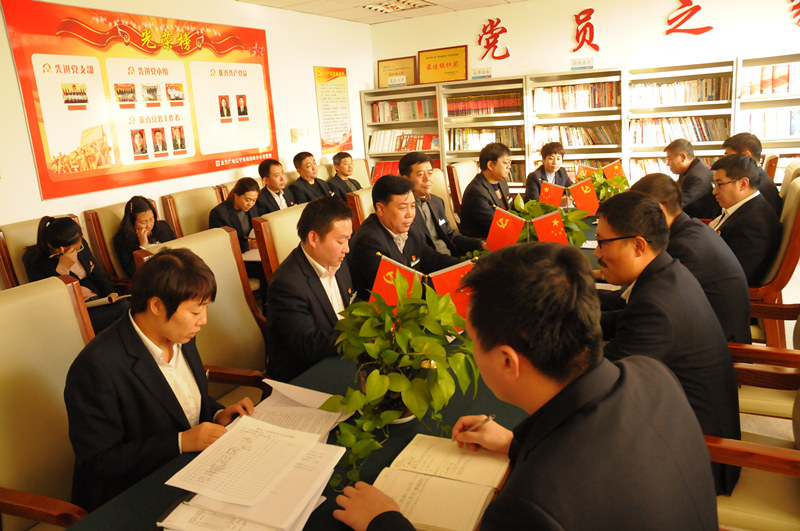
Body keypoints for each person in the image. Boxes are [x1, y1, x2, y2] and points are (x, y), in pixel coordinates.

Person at [333, 242, 719, 531]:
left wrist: (384, 521)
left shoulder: (531, 508)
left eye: (472, 340)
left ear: (507, 361)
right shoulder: (650, 374)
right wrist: (514, 444)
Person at [64, 248, 254, 511]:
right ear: (157, 306)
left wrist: (217, 414)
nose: (204, 320)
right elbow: (98, 461)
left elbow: (178, 400)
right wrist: (180, 442)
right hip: (131, 497)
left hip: (192, 472)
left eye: (205, 309)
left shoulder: (181, 336)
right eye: (195, 312)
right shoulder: (97, 367)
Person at [596, 191, 740, 495]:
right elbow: (623, 320)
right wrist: (571, 316)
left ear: (638, 245)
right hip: (687, 425)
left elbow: (600, 385)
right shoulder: (667, 271)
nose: (597, 253)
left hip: (700, 458)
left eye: (602, 242)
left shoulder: (656, 304)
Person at [631, 173, 751, 343]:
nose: (632, 222)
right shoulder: (690, 228)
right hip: (706, 329)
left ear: (658, 210)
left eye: (636, 214)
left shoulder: (683, 248)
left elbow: (650, 311)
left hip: (718, 344)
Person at [267, 197, 355, 381]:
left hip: (339, 357)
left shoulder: (338, 262)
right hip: (305, 374)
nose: (347, 249)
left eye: (348, 239)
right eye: (340, 241)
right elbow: (307, 344)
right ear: (313, 238)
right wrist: (358, 335)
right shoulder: (287, 284)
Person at [347, 175, 461, 300]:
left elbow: (432, 259)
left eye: (412, 206)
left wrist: (466, 268)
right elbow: (401, 290)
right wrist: (451, 284)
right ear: (380, 209)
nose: (410, 214)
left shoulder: (409, 227)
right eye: (402, 207)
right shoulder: (368, 242)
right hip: (389, 307)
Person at [23, 216, 128, 333]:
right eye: (75, 248)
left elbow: (97, 274)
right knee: (124, 310)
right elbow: (46, 298)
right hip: (73, 312)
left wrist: (111, 293)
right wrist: (62, 269)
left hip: (98, 300)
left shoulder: (81, 245)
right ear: (61, 249)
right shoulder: (34, 261)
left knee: (128, 306)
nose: (79, 249)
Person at [710, 154, 782, 286]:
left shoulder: (754, 223)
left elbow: (734, 277)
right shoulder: (746, 207)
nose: (714, 191)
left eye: (719, 184)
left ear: (743, 184)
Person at [399, 151, 483, 256]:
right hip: (430, 262)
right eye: (420, 174)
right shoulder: (403, 210)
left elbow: (450, 235)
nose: (427, 178)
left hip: (452, 256)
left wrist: (481, 244)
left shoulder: (436, 202)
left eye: (430, 173)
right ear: (405, 179)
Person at [208, 177, 266, 290]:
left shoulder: (253, 209)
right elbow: (220, 246)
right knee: (266, 268)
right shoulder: (219, 213)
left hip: (253, 254)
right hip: (233, 259)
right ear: (236, 195)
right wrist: (248, 246)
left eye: (254, 200)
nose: (250, 204)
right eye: (247, 200)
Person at [112, 196, 177, 277]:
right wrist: (142, 247)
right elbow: (133, 272)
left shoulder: (163, 227)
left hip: (174, 272)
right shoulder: (122, 240)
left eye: (151, 219)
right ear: (132, 222)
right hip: (152, 279)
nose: (149, 225)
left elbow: (177, 250)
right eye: (144, 222)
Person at [459, 142, 512, 238]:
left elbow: (510, 209)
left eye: (509, 162)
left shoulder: (502, 182)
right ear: (490, 165)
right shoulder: (476, 192)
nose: (509, 166)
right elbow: (495, 224)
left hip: (502, 233)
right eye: (505, 163)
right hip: (483, 240)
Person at [722, 132, 782, 216]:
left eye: (728, 156)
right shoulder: (754, 177)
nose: (724, 161)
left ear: (746, 156)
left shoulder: (756, 188)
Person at [664, 138, 720, 219]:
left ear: (683, 157)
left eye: (669, 159)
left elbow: (678, 204)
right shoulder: (692, 167)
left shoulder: (696, 177)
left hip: (702, 221)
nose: (667, 164)